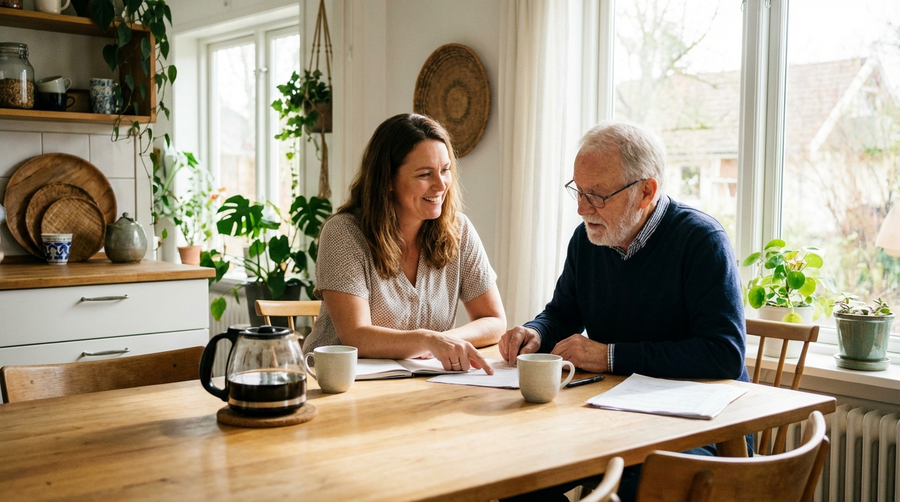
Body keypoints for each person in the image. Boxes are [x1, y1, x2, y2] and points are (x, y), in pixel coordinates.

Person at [499, 121, 749, 502]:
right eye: (578, 192)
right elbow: (562, 313)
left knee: (638, 486)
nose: (583, 209)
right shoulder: (589, 238)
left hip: (697, 425)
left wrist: (609, 355)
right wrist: (536, 332)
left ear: (646, 191)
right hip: (612, 416)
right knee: (515, 476)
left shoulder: (701, 241)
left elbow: (724, 355)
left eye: (597, 195)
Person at [303, 113, 506, 374]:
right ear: (387, 180)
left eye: (445, 170)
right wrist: (429, 340)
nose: (441, 184)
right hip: (336, 385)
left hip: (421, 386)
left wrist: (447, 341)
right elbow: (356, 336)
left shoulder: (460, 229)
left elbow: (494, 320)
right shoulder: (343, 233)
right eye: (424, 174)